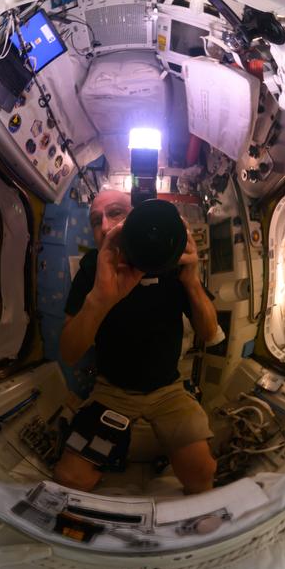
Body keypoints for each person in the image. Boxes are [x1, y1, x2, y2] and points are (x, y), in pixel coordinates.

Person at [54, 188, 220, 494]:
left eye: (115, 213)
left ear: (138, 218)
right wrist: (100, 299)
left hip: (168, 390)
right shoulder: (92, 267)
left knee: (201, 473)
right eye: (95, 220)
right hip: (112, 390)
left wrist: (191, 281)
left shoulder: (170, 258)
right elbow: (69, 352)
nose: (104, 227)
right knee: (70, 478)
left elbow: (210, 334)